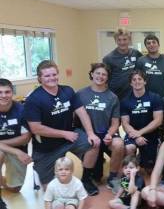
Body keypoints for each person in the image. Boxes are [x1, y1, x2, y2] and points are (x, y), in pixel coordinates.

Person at [24, 60, 101, 195]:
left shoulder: (68, 90)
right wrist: (64, 134)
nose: (52, 78)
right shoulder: (33, 99)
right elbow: (36, 128)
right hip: (47, 147)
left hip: (71, 137)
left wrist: (90, 133)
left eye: (54, 74)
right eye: (47, 76)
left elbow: (82, 112)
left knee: (94, 143)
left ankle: (87, 180)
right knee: (51, 192)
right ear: (39, 78)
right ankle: (39, 174)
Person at [75, 63, 124, 188]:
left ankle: (113, 177)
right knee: (97, 177)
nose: (100, 76)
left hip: (106, 134)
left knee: (119, 145)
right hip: (89, 135)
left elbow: (115, 123)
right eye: (97, 73)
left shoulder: (113, 98)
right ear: (92, 74)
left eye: (104, 74)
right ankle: (91, 173)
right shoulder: (80, 94)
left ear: (107, 77)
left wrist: (110, 134)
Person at [120, 69, 163, 171]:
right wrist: (136, 135)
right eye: (134, 80)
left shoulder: (154, 97)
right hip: (132, 133)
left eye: (140, 79)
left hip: (150, 134)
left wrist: (139, 133)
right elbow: (125, 123)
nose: (137, 81)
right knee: (129, 147)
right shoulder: (125, 101)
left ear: (145, 81)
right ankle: (131, 172)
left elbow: (158, 120)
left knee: (149, 169)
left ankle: (142, 159)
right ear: (130, 83)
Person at [0, 78, 32, 192]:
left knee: (15, 189)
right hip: (12, 150)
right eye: (0, 92)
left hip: (18, 147)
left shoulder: (22, 110)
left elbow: (25, 138)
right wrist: (16, 152)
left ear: (12, 92)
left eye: (7, 92)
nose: (3, 95)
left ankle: (4, 183)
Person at [103, 28, 143, 99]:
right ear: (115, 41)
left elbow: (148, 59)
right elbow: (104, 79)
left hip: (133, 93)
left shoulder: (136, 53)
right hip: (115, 95)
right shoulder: (108, 58)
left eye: (124, 39)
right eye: (119, 40)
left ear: (129, 40)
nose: (122, 42)